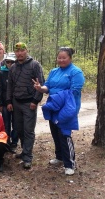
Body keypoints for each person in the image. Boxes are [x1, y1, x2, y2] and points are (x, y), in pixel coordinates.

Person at [33, 47, 85, 176]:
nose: (61, 60)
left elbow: (74, 91)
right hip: (54, 107)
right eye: (59, 58)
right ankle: (59, 157)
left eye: (64, 58)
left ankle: (70, 163)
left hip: (67, 108)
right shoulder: (54, 71)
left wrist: (57, 98)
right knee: (55, 132)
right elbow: (48, 86)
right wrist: (40, 88)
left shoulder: (76, 72)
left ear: (70, 58)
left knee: (64, 134)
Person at [6, 42, 44, 169]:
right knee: (18, 128)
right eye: (17, 51)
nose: (19, 53)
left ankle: (28, 156)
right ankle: (24, 151)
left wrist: (35, 101)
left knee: (28, 130)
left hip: (29, 103)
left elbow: (41, 84)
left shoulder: (35, 65)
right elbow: (10, 86)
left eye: (22, 51)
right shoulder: (13, 67)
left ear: (26, 51)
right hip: (16, 103)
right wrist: (9, 101)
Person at [0, 52, 18, 150]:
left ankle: (14, 143)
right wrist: (0, 103)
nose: (10, 64)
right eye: (8, 62)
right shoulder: (1, 73)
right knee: (6, 123)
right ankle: (6, 142)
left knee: (16, 123)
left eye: (12, 62)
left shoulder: (18, 72)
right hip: (5, 103)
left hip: (17, 102)